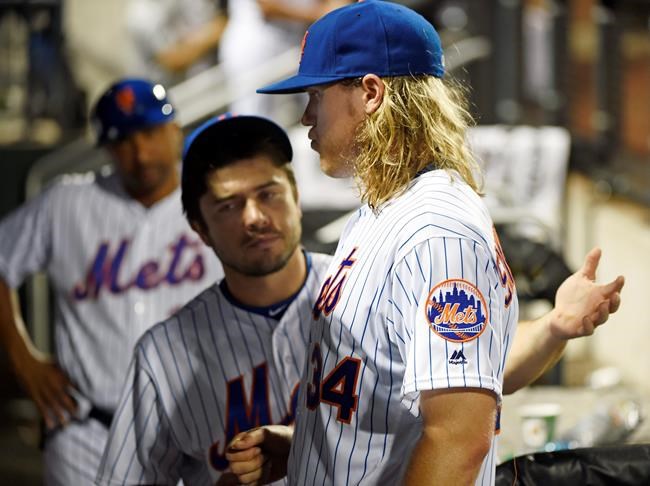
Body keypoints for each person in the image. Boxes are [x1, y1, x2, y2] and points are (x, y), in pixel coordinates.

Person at [225, 2, 625, 485]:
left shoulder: (437, 232)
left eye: (316, 94)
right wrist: (307, 445)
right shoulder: (382, 208)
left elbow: (456, 437)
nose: (307, 115)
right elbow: (444, 375)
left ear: (371, 92)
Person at [0, 77, 223, 485]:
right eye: (123, 141)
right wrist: (23, 359)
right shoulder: (66, 203)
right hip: (88, 433)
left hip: (198, 427)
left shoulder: (216, 200)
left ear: (175, 131)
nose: (140, 153)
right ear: (104, 147)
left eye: (151, 134)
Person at [95, 114, 332, 485]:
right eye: (229, 206)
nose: (254, 217)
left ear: (296, 198)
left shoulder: (367, 292)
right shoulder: (162, 356)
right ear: (200, 229)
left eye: (268, 194)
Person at [220, 0, 348, 120]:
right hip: (254, 47)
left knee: (320, 108)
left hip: (294, 41)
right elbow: (267, 6)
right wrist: (320, 13)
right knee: (254, 118)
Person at [127, 0, 228, 85]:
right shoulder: (139, 15)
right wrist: (207, 36)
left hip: (218, 76)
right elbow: (175, 61)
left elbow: (221, 25)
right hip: (177, 97)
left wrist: (187, 48)